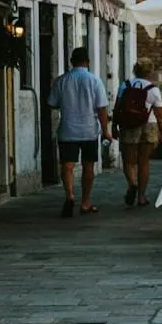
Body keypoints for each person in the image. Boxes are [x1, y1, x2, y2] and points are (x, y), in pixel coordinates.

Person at [48, 46, 110, 217]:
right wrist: (106, 131)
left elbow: (52, 103)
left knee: (67, 165)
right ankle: (85, 202)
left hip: (68, 129)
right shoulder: (95, 81)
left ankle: (69, 195)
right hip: (89, 129)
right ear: (87, 62)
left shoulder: (61, 81)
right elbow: (102, 109)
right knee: (88, 166)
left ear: (71, 62)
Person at [111, 61, 162, 208]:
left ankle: (133, 184)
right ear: (150, 72)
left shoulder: (125, 85)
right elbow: (159, 115)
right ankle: (141, 196)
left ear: (135, 70)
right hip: (149, 124)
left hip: (128, 124)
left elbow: (117, 108)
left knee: (128, 161)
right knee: (144, 161)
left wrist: (113, 126)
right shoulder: (153, 89)